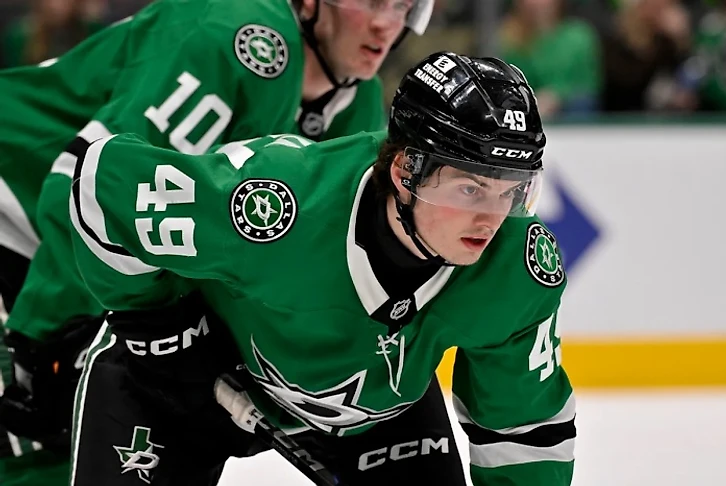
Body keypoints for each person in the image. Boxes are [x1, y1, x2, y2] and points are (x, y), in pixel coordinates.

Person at [69, 51, 576, 486]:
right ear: (406, 172)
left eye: (511, 190)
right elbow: (102, 186)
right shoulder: (279, 207)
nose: (491, 218)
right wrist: (160, 330)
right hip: (178, 382)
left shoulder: (516, 264)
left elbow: (524, 428)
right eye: (469, 188)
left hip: (374, 412)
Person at [0, 0, 434, 484]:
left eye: (402, 6)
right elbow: (93, 187)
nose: (386, 23)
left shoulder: (356, 101)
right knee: (33, 447)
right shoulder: (237, 34)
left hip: (69, 254)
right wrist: (44, 337)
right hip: (17, 204)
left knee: (68, 449)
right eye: (371, 1)